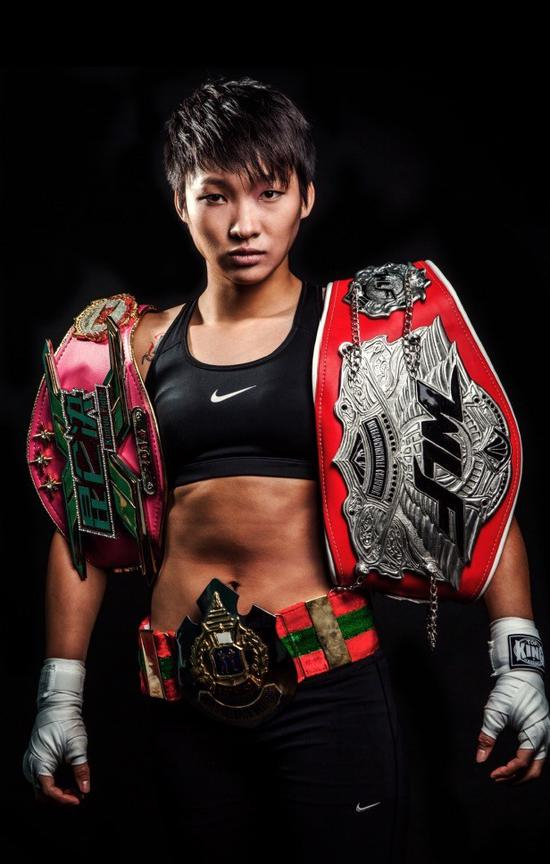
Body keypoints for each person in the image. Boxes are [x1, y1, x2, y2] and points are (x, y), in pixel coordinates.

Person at [22, 75, 549, 863]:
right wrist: (58, 694)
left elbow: (473, 491)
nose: (244, 223)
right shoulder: (131, 347)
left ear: (306, 197)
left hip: (330, 692)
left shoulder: (368, 334)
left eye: (269, 193)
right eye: (216, 196)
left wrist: (518, 657)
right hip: (179, 702)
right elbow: (85, 534)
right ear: (181, 204)